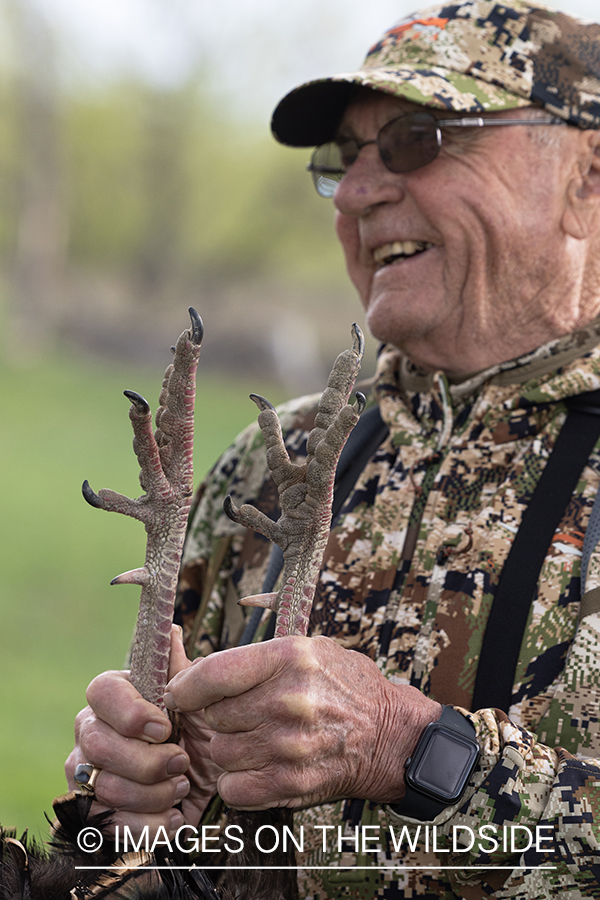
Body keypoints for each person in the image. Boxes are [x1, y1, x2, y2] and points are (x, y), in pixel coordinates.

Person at [66, 1, 600, 896]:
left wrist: (414, 751)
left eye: (418, 138)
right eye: (341, 160)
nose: (356, 192)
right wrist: (137, 814)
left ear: (587, 173)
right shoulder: (279, 462)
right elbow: (165, 838)